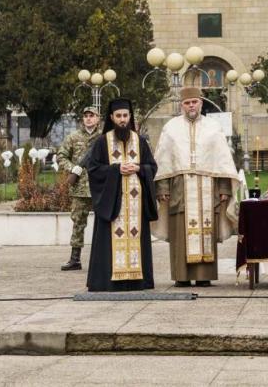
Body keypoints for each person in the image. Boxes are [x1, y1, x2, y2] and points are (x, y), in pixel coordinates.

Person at [153, 87, 238, 287]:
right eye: (187, 103)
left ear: (200, 103)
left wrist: (224, 188)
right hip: (179, 189)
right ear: (181, 105)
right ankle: (181, 276)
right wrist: (162, 188)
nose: (191, 106)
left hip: (208, 188)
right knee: (180, 231)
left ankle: (203, 276)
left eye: (194, 102)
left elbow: (222, 160)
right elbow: (163, 160)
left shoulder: (213, 127)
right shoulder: (171, 128)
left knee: (207, 230)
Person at [84, 98, 158, 292]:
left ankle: (138, 281)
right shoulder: (102, 142)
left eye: (125, 115)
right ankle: (108, 281)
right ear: (111, 117)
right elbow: (93, 169)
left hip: (136, 206)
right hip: (112, 203)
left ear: (130, 116)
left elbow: (152, 167)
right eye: (118, 116)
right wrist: (116, 169)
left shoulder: (140, 141)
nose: (122, 120)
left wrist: (139, 168)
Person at [56, 106, 102, 271]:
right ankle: (75, 259)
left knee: (104, 223)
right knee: (78, 223)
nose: (88, 118)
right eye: (86, 116)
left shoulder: (104, 137)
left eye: (92, 115)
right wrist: (72, 168)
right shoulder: (73, 137)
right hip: (80, 189)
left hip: (100, 187)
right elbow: (61, 156)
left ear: (98, 118)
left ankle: (104, 258)